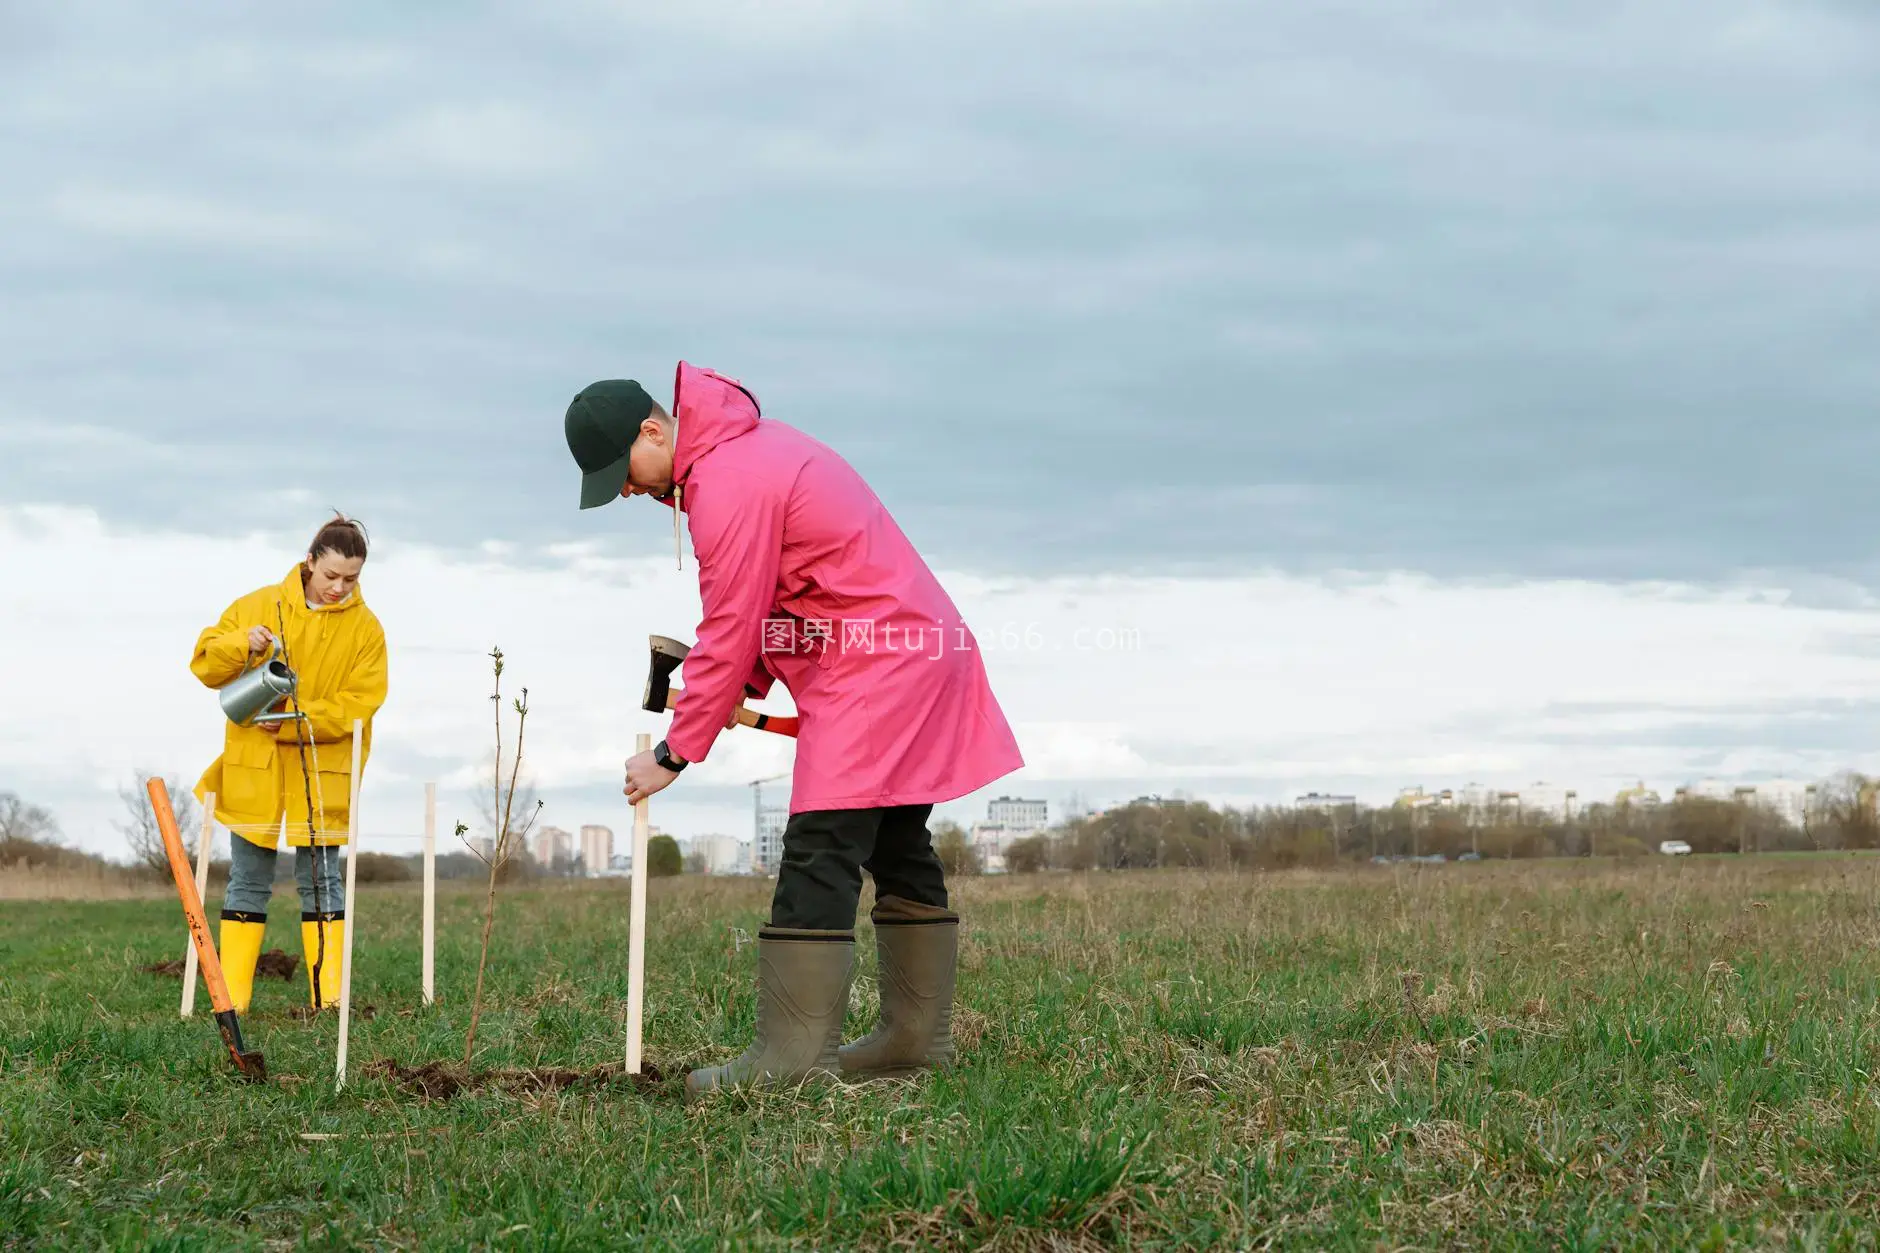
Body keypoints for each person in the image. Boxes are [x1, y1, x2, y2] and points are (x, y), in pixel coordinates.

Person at [564, 362, 1024, 1100]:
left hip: (878, 662)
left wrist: (673, 750)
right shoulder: (748, 452)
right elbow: (773, 614)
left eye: (623, 470)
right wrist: (735, 685)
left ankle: (792, 1057)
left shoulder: (726, 482)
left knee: (821, 843)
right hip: (907, 648)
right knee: (897, 837)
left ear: (654, 430)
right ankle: (914, 1042)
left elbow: (733, 621)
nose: (626, 488)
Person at [188, 514, 388, 1015]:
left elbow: (360, 704)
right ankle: (232, 1001)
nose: (340, 588)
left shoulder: (367, 630)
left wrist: (298, 722)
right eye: (331, 577)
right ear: (309, 562)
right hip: (253, 767)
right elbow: (206, 665)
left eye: (351, 579)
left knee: (322, 879)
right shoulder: (258, 605)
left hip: (325, 768)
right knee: (248, 878)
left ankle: (330, 1000)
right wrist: (243, 645)